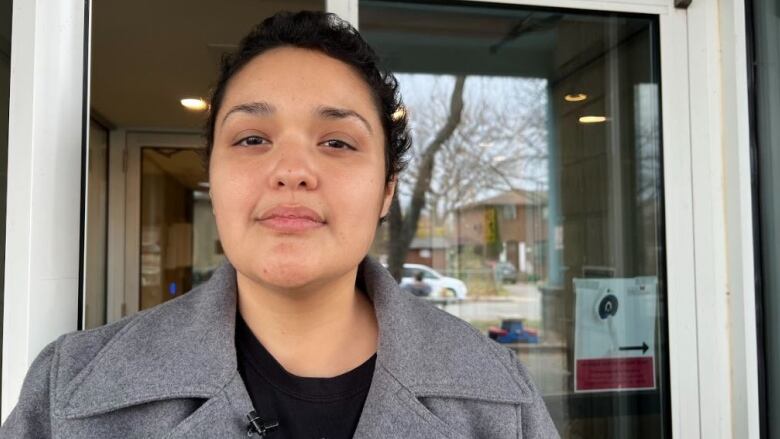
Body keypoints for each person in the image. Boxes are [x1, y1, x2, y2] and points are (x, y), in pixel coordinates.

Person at [0, 11, 557, 438]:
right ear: (213, 180)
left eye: (337, 142)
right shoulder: (66, 388)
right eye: (252, 139)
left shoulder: (499, 399)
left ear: (387, 188)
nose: (291, 171)